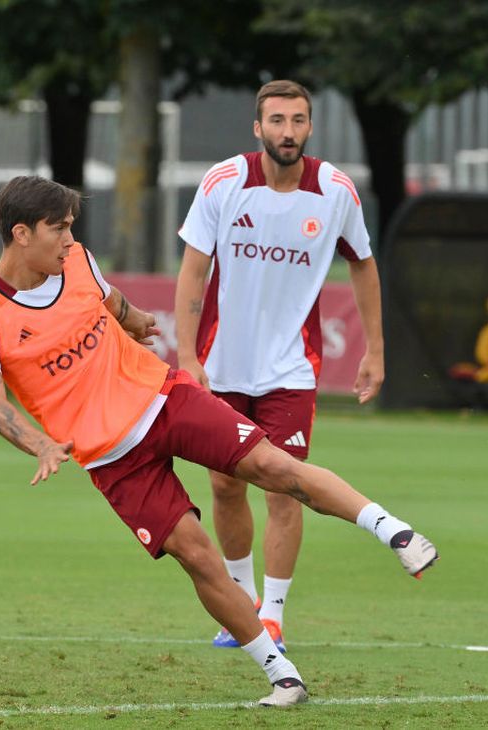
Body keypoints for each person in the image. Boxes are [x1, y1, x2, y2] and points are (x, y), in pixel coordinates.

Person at [0, 175, 437, 707]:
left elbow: (108, 299)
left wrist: (134, 320)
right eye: (59, 229)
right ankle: (282, 675)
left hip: (165, 399)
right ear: (21, 234)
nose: (70, 239)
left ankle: (394, 532)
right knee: (196, 555)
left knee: (275, 469)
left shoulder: (77, 261)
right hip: (111, 459)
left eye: (72, 227)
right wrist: (41, 444)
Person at [174, 80, 386, 652]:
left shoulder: (336, 191)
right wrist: (189, 356)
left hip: (291, 368)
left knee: (285, 488)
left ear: (309, 127)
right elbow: (193, 271)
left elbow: (363, 265)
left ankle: (273, 615)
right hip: (222, 365)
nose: (286, 131)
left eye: (297, 120)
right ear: (257, 127)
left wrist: (376, 350)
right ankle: (238, 605)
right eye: (276, 120)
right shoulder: (224, 182)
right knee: (222, 485)